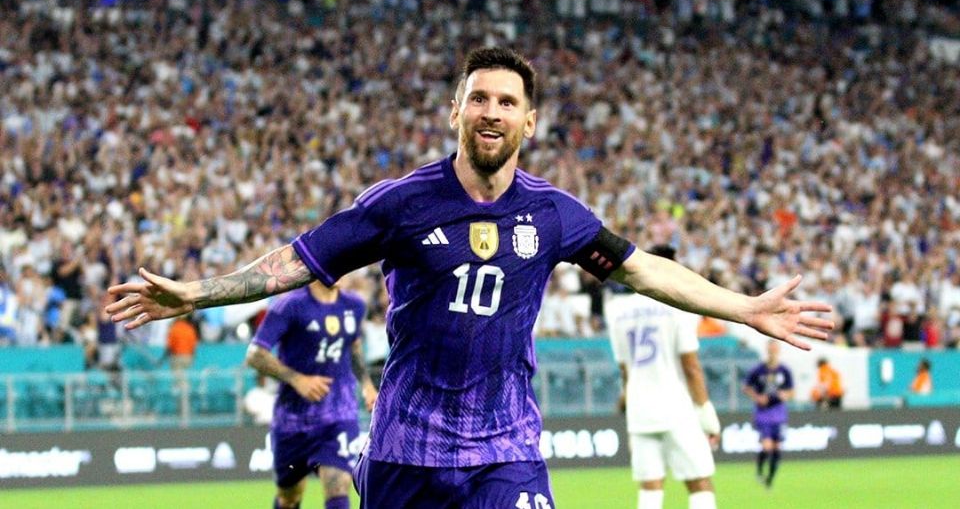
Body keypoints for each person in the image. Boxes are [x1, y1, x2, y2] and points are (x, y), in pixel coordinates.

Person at [106, 47, 833, 508]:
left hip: (506, 449)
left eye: (507, 102)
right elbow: (297, 260)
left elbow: (642, 270)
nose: (491, 112)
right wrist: (196, 293)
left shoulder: (554, 214)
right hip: (404, 451)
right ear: (455, 110)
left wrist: (744, 309)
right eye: (479, 99)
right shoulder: (400, 204)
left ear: (530, 122)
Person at [246, 280, 378, 509]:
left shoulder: (354, 305)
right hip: (293, 421)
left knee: (338, 488)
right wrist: (297, 379)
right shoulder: (290, 305)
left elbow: (354, 348)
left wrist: (366, 385)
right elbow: (255, 355)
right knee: (289, 498)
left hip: (339, 415)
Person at [607, 245, 721, 509]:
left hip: (640, 410)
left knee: (650, 488)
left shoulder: (617, 311)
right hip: (675, 406)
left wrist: (629, 408)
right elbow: (691, 366)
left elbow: (625, 370)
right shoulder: (677, 306)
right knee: (700, 483)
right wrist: (706, 415)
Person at [743, 340, 794, 489]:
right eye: (770, 349)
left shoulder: (784, 370)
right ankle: (759, 470)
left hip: (779, 412)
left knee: (777, 448)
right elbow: (746, 387)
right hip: (763, 412)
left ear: (778, 350)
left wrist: (786, 395)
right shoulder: (758, 370)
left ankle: (770, 479)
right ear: (767, 350)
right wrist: (757, 397)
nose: (772, 351)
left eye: (774, 349)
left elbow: (791, 391)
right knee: (767, 447)